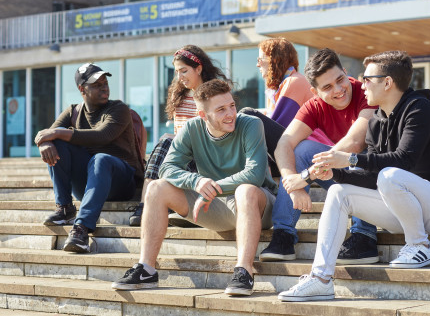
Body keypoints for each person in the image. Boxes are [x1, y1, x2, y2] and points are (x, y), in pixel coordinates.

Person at [278, 50, 430, 302]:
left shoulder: (421, 110)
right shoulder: (376, 120)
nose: (360, 83)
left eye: (367, 79)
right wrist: (333, 173)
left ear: (387, 82)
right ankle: (321, 278)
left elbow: (404, 161)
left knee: (389, 174)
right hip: (402, 211)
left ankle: (420, 246)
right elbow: (369, 176)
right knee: (337, 191)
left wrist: (351, 159)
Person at [112, 79, 278, 296]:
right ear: (203, 115)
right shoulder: (192, 128)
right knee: (156, 189)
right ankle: (146, 269)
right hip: (212, 205)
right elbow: (167, 168)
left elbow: (254, 175)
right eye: (221, 110)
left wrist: (213, 187)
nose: (230, 114)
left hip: (255, 205)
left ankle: (244, 272)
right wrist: (196, 181)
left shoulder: (250, 124)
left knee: (245, 190)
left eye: (232, 106)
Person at [259, 48, 379, 264]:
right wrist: (292, 183)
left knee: (359, 155)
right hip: (346, 173)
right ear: (314, 92)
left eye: (340, 79)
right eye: (327, 87)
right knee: (301, 150)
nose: (339, 89)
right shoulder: (314, 106)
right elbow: (283, 145)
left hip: (382, 177)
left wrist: (306, 175)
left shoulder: (367, 92)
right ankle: (284, 235)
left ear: (345, 71)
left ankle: (365, 236)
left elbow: (355, 142)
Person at [37, 63, 142, 253]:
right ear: (81, 89)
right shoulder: (73, 111)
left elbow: (102, 135)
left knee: (100, 158)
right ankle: (65, 208)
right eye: (96, 84)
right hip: (88, 182)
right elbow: (46, 134)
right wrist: (45, 143)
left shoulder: (119, 109)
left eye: (105, 82)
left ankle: (81, 230)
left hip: (122, 181)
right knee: (57, 143)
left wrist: (54, 134)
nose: (104, 87)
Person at [128, 45, 229, 226]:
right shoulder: (178, 94)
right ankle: (144, 204)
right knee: (165, 142)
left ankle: (156, 205)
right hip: (182, 158)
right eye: (176, 72)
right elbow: (179, 133)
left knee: (167, 142)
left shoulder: (215, 95)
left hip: (207, 159)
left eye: (184, 71)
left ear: (199, 69)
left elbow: (219, 134)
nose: (179, 77)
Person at [240, 37, 332, 177]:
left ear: (274, 60)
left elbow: (278, 125)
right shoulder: (282, 86)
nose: (258, 65)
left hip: (310, 151)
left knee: (247, 114)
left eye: (260, 59)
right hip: (300, 150)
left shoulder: (294, 82)